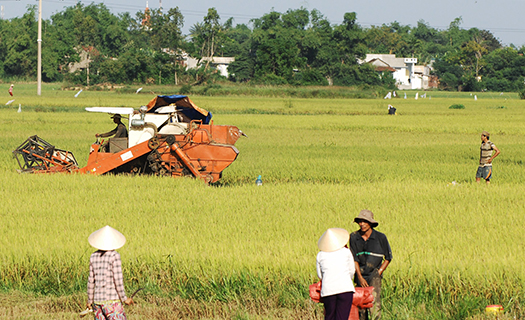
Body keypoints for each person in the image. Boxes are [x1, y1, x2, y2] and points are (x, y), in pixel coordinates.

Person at [349, 210, 392, 320]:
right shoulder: (354, 237)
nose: (362, 224)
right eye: (360, 221)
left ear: (371, 223)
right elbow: (354, 259)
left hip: (374, 275)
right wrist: (359, 277)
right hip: (360, 275)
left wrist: (379, 272)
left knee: (374, 305)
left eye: (364, 221)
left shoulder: (380, 237)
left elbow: (388, 257)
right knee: (360, 306)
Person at [87, 225, 133, 320]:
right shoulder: (114, 256)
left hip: (97, 303)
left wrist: (89, 300)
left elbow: (91, 281)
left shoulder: (93, 256)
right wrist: (125, 299)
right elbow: (118, 281)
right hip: (112, 303)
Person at [316, 228, 355, 320]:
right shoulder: (346, 252)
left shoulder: (321, 254)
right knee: (342, 317)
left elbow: (320, 275)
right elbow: (351, 270)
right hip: (345, 289)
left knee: (329, 316)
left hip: (328, 290)